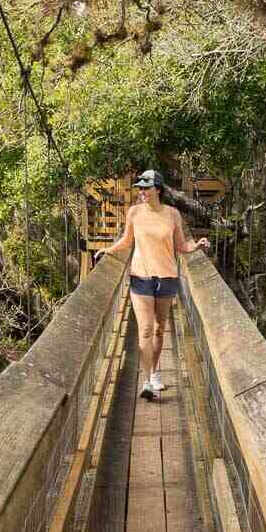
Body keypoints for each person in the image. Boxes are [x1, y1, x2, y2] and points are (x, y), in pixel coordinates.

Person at [96, 170, 210, 401]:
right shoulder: (134, 213)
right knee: (146, 329)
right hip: (141, 277)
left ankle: (156, 371)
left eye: (146, 188)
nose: (141, 192)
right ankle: (147, 381)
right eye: (140, 188)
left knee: (159, 329)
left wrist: (196, 245)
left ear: (158, 189)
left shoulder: (173, 214)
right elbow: (127, 241)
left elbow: (181, 246)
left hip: (167, 277)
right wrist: (107, 250)